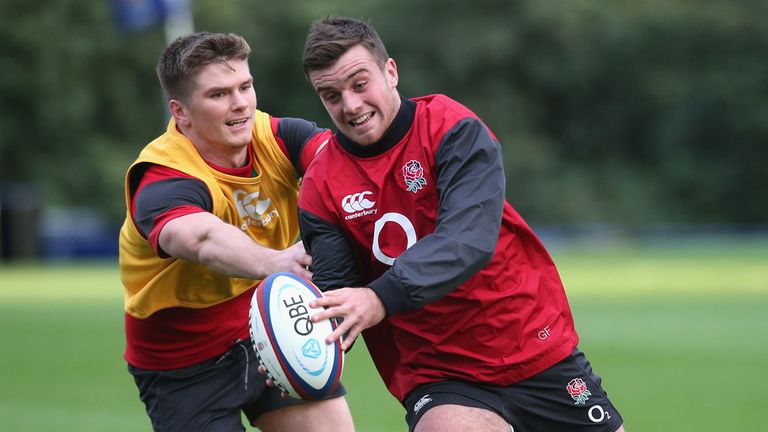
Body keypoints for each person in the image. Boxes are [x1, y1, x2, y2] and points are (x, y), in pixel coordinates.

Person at [297, 16, 626, 432]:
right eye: (331, 95)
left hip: (528, 342)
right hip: (438, 371)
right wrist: (289, 345)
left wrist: (378, 298)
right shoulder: (321, 184)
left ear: (390, 71)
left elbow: (467, 239)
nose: (350, 105)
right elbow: (337, 293)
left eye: (360, 84)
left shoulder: (451, 128)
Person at [118, 32, 355, 431]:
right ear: (181, 112)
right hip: (183, 363)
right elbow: (200, 238)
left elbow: (343, 168)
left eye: (245, 86)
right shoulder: (162, 174)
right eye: (218, 94)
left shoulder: (276, 136)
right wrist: (276, 262)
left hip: (273, 328)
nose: (241, 103)